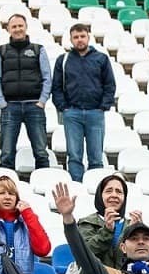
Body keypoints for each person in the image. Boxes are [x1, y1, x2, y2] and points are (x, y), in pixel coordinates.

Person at [50, 22, 117, 182]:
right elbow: (57, 87)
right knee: (74, 155)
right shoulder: (63, 60)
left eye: (82, 36)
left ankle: (96, 188)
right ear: (71, 40)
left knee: (96, 156)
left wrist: (103, 106)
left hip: (95, 113)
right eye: (76, 37)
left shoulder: (101, 58)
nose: (79, 40)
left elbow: (110, 84)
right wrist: (63, 107)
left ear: (88, 37)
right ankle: (77, 187)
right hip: (72, 113)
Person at [0, 13, 52, 171]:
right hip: (10, 107)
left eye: (20, 26)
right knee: (7, 152)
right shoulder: (1, 51)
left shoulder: (38, 50)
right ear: (8, 29)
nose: (17, 29)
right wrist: (2, 103)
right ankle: (6, 189)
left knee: (41, 151)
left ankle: (44, 180)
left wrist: (42, 101)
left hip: (34, 107)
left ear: (25, 27)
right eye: (14, 26)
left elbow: (47, 77)